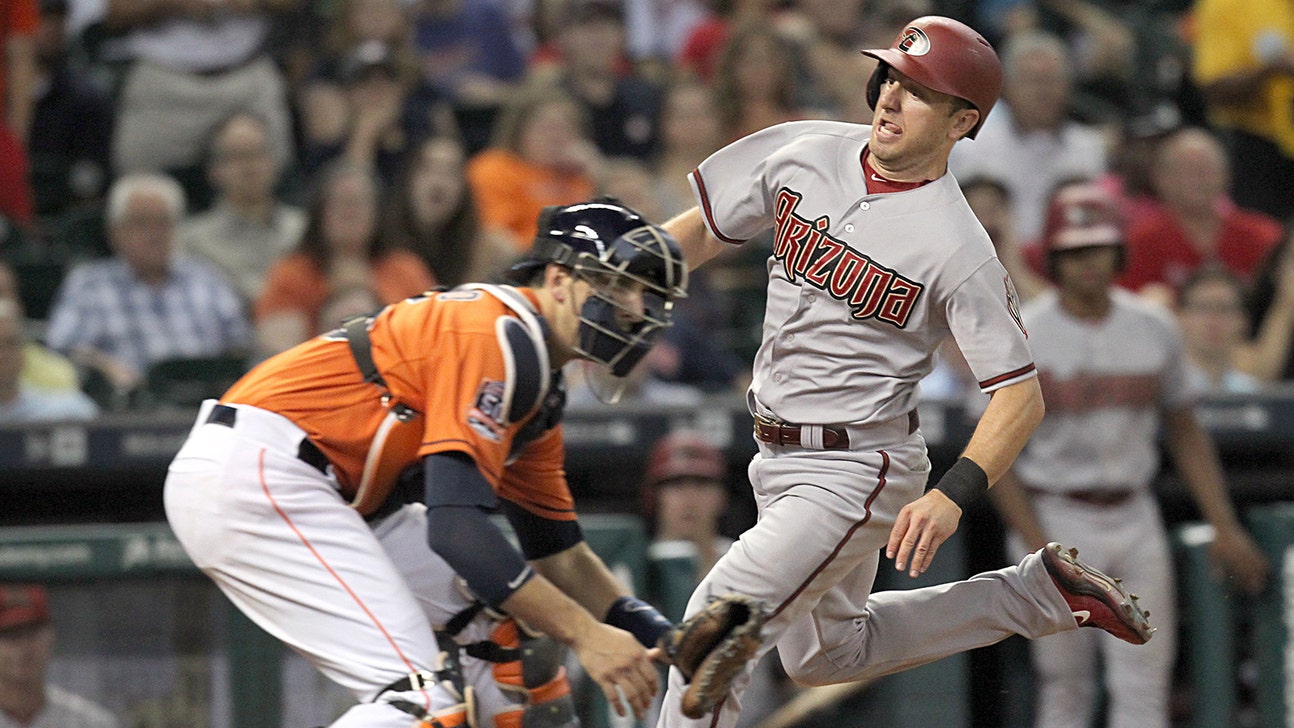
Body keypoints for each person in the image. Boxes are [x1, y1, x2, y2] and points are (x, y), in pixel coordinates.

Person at [653, 16, 1152, 728]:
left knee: (715, 626)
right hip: (775, 452)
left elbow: (1020, 398)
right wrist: (633, 272)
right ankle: (1030, 597)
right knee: (826, 655)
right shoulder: (807, 149)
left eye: (918, 90)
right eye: (890, 76)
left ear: (961, 121)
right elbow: (703, 228)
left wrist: (952, 495)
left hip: (855, 466)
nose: (890, 96)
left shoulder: (959, 247)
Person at [164, 199, 689, 728]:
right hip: (261, 471)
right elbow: (456, 531)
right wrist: (586, 634)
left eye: (644, 294)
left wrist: (667, 638)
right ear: (558, 280)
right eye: (619, 286)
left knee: (502, 631)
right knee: (420, 701)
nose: (635, 309)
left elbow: (560, 554)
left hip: (324, 488)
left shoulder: (533, 376)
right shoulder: (493, 334)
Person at [987, 182, 1269, 728]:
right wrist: (1036, 544)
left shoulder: (1152, 325)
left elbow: (1186, 430)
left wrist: (1224, 523)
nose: (1087, 263)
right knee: (1065, 683)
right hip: (1056, 511)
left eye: (1097, 248)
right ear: (1054, 259)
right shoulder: (1026, 333)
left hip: (1135, 514)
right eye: (1073, 252)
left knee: (1144, 679)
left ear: (1118, 252)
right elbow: (995, 455)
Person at [44, 173, 252, 401]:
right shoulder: (89, 285)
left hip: (209, 402)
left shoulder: (207, 279)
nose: (154, 234)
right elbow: (62, 350)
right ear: (115, 232)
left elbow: (242, 348)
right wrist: (104, 367)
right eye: (141, 223)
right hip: (131, 408)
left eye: (163, 223)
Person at [253, 162, 434, 357]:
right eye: (339, 202)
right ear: (320, 211)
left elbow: (431, 337)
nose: (349, 212)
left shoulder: (406, 270)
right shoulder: (292, 274)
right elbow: (281, 351)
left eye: (358, 202)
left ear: (377, 211)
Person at [948, 29, 1107, 243]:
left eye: (1051, 80)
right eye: (1032, 80)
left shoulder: (1089, 148)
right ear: (1006, 87)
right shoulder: (971, 147)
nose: (1043, 91)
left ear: (1069, 86)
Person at [1119, 126, 1283, 301]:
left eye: (1206, 170)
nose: (1197, 179)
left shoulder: (1263, 236)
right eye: (1186, 170)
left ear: (1227, 176)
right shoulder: (1139, 240)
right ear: (1159, 178)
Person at [178, 111, 307, 304]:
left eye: (258, 153)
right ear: (214, 170)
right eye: (237, 156)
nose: (250, 166)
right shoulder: (191, 243)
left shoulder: (304, 229)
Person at [1190, 0, 1294, 222]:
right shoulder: (1228, 4)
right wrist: (1270, 70)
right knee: (1263, 236)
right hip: (1258, 150)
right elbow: (1214, 89)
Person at [0, 584, 119, 728]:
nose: (22, 647)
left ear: (51, 635)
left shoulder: (93, 723)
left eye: (30, 633)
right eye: (9, 635)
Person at [0, 300, 98, 422]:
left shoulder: (65, 409)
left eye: (10, 343)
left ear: (23, 351)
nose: (2, 354)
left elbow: (89, 415)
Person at [1176, 265, 1264, 394]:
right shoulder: (1164, 392)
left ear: (1243, 321)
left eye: (1225, 309)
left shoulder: (1255, 394)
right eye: (1203, 308)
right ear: (1180, 317)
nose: (1213, 321)